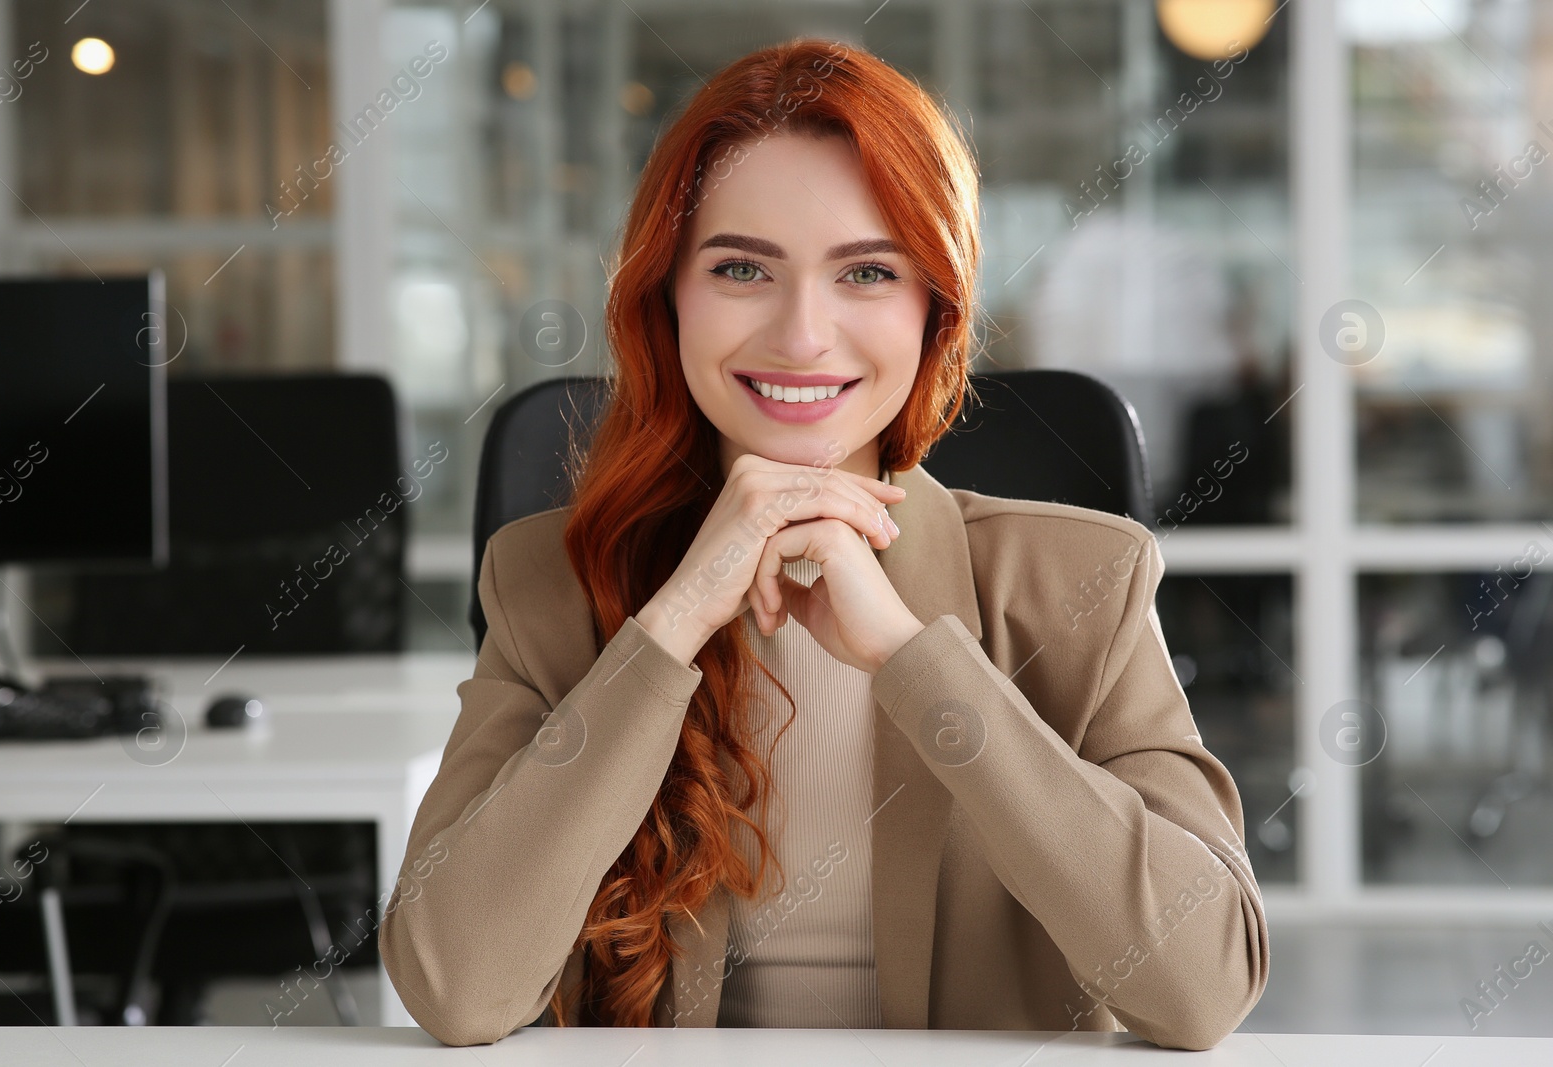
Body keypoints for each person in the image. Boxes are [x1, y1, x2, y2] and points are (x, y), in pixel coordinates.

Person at [379, 38, 1268, 1051]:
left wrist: (912, 656)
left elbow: (1201, 987)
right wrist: (669, 628)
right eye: (742, 267)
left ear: (935, 311)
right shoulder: (547, 580)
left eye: (866, 273)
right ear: (667, 298)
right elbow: (454, 984)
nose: (802, 335)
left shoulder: (1080, 583)